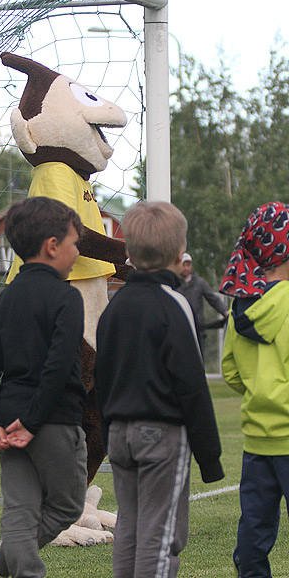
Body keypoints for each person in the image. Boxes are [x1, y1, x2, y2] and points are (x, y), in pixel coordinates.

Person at [94, 200, 224, 578]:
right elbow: (191, 384)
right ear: (179, 252)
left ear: (129, 252)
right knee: (160, 535)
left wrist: (108, 433)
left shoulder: (113, 307)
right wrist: (210, 456)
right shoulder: (175, 304)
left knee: (130, 530)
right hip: (161, 435)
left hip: (119, 434)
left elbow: (103, 376)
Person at [0, 196, 88, 578]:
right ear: (52, 246)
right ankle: (12, 568)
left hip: (7, 420)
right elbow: (58, 367)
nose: (77, 250)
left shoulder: (1, 303)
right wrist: (34, 421)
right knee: (67, 506)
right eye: (74, 242)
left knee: (19, 510)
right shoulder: (67, 297)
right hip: (52, 420)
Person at [220, 201, 289, 578]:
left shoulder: (242, 306)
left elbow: (230, 369)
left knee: (254, 530)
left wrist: (259, 386)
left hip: (257, 440)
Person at [178, 252, 229, 355]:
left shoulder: (200, 283)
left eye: (188, 265)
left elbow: (213, 299)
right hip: (179, 332)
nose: (186, 268)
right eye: (183, 265)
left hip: (198, 332)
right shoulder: (173, 283)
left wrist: (226, 312)